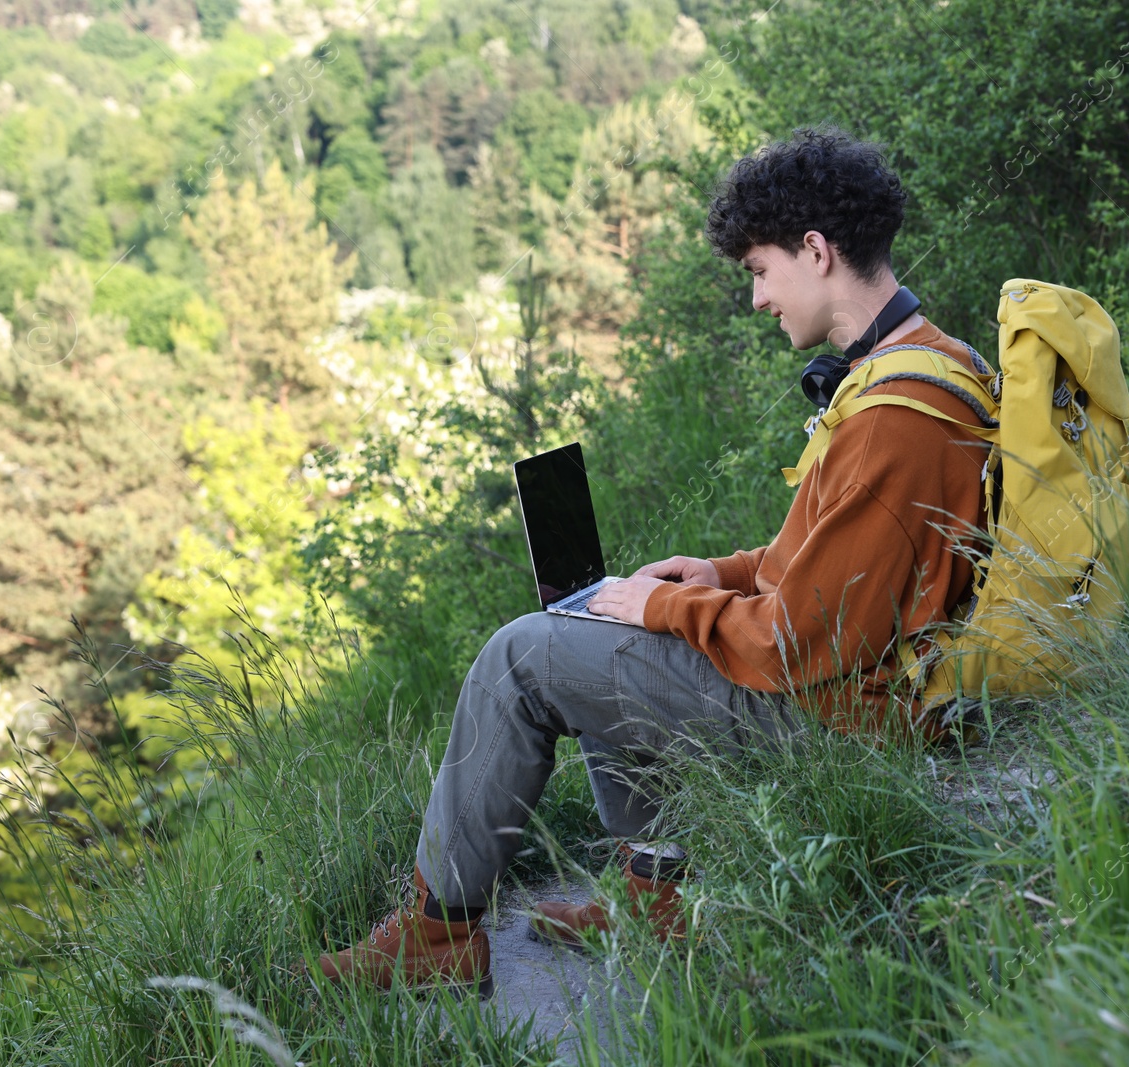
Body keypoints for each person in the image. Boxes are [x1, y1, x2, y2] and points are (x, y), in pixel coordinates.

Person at [313, 127, 991, 991]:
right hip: (864, 694)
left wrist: (663, 611)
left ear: (815, 251)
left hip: (846, 726)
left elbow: (797, 643)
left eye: (758, 270)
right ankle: (656, 899)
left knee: (525, 653)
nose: (756, 299)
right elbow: (830, 562)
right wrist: (717, 573)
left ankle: (438, 933)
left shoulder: (895, 417)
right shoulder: (932, 363)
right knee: (601, 623)